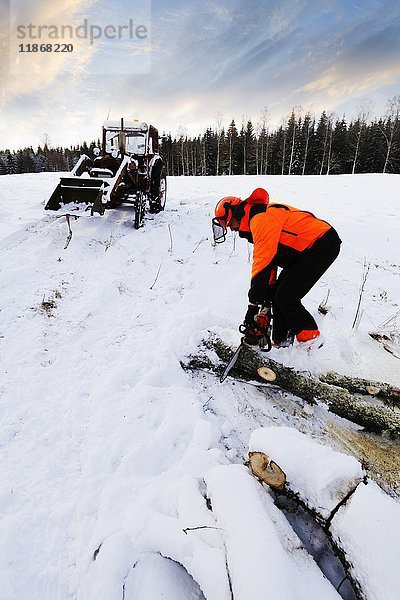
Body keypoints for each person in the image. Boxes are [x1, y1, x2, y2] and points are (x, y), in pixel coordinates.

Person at [212, 188, 341, 347]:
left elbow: (262, 262)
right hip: (303, 251)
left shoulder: (260, 220)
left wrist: (253, 306)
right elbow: (270, 261)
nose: (231, 228)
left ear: (237, 212)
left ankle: (312, 343)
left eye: (230, 223)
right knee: (277, 295)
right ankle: (282, 342)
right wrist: (266, 299)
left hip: (321, 245)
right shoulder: (255, 219)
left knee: (287, 296)